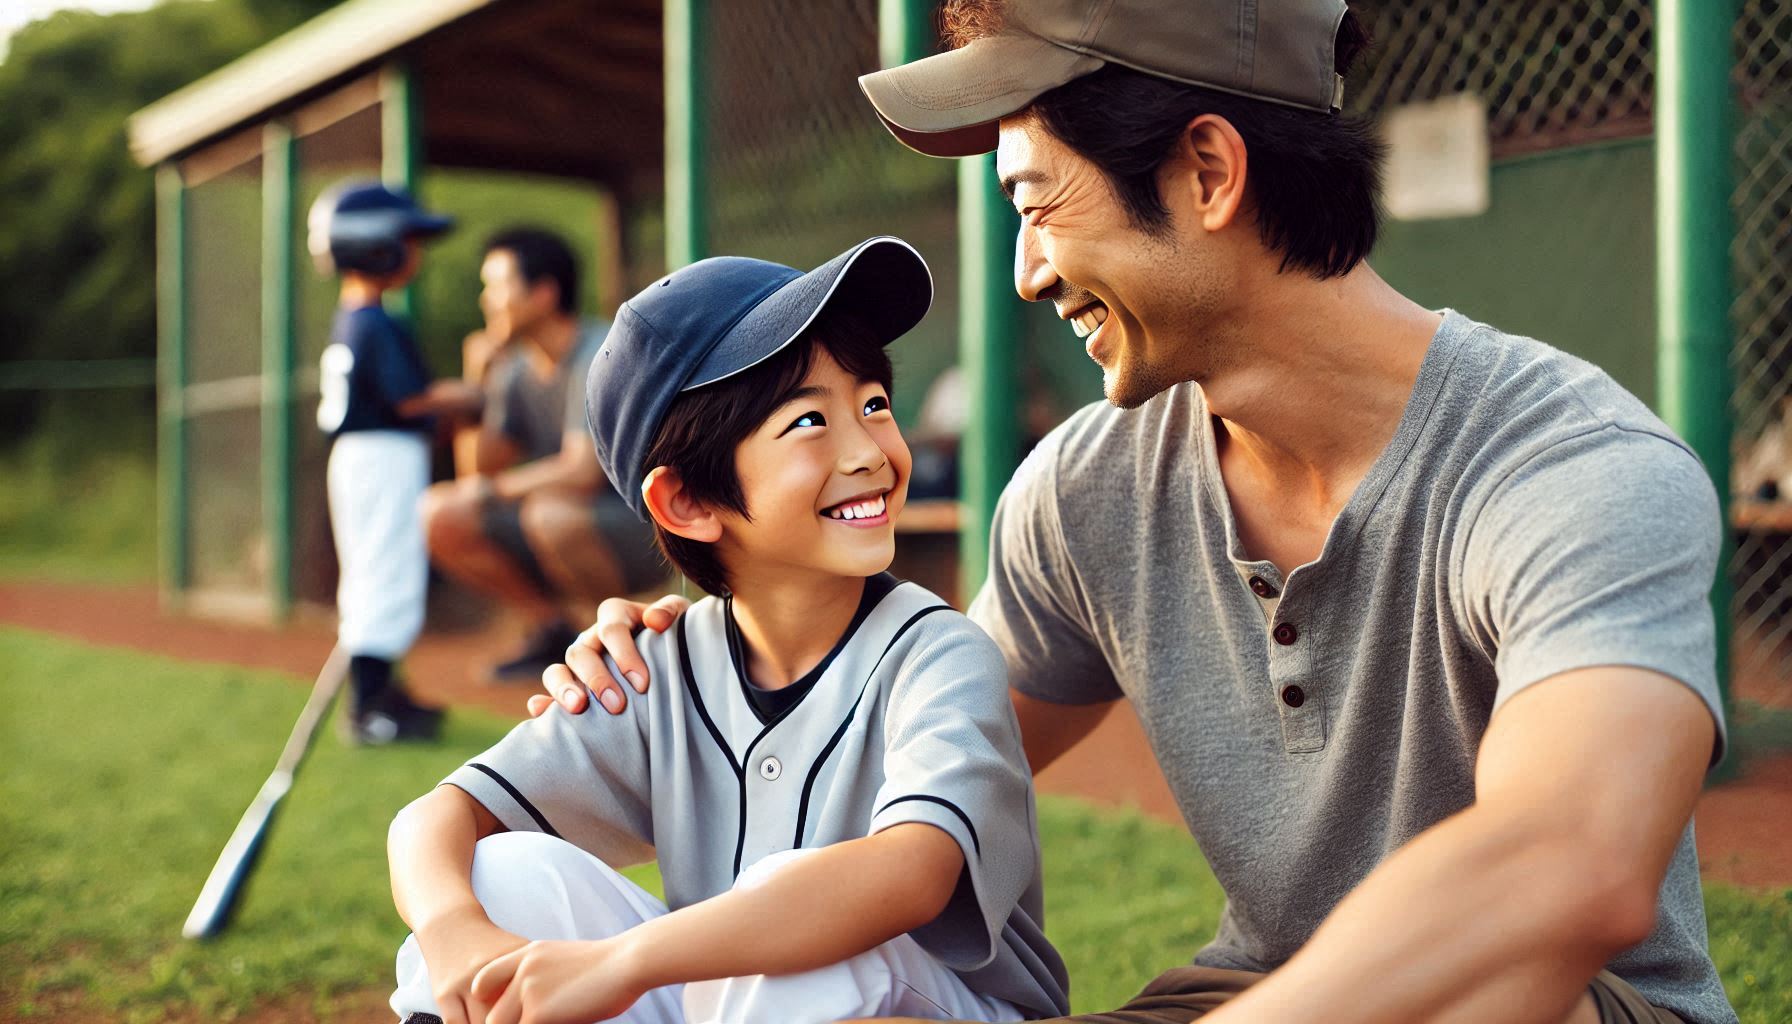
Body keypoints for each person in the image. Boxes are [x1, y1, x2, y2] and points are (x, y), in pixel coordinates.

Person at [539, 2, 1739, 1022]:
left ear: (1207, 173)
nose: (1024, 270)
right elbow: (898, 756)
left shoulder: (1572, 469)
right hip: (1252, 990)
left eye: (1037, 203)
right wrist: (703, 657)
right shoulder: (1087, 489)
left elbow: (1569, 869)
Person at [386, 237, 1070, 1024]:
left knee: (793, 935)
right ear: (687, 504)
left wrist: (625, 963)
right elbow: (433, 818)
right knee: (500, 877)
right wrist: (453, 933)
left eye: (874, 403)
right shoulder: (656, 663)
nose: (867, 451)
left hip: (932, 1008)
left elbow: (911, 870)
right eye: (810, 420)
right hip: (736, 1002)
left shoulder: (938, 652)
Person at [421, 228, 661, 684]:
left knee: (549, 513)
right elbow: (478, 471)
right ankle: (556, 631)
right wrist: (480, 382)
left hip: (645, 527)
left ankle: (621, 647)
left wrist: (491, 490)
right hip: (562, 523)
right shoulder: (515, 368)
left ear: (544, 293)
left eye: (498, 286)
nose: (487, 300)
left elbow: (581, 471)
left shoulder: (599, 351)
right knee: (442, 514)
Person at [307, 181, 482, 745]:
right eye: (407, 239)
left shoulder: (356, 316)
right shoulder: (376, 322)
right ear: (374, 246)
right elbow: (410, 400)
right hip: (382, 455)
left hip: (365, 457)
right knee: (387, 573)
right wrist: (469, 393)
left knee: (374, 574)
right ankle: (371, 708)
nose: (416, 252)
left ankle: (381, 694)